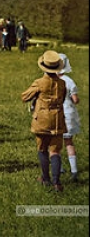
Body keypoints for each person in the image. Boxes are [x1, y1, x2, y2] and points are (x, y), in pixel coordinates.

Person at [21, 50, 67, 192]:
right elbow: (63, 98)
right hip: (58, 119)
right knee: (55, 151)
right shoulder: (62, 83)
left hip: (42, 119)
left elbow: (24, 97)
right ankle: (56, 182)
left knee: (42, 149)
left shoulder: (39, 82)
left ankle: (45, 178)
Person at [58, 53, 80, 183]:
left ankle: (59, 168)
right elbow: (75, 99)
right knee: (69, 142)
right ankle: (74, 170)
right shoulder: (69, 80)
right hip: (68, 114)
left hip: (55, 114)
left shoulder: (49, 79)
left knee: (56, 144)